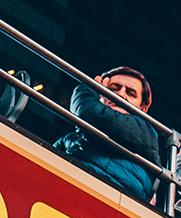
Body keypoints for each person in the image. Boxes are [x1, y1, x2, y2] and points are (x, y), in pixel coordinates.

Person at [53, 65, 160, 203]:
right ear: (102, 95)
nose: (121, 94)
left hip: (105, 204)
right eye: (114, 88)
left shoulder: (145, 131)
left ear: (143, 108)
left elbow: (88, 112)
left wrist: (92, 85)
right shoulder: (73, 138)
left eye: (131, 93)